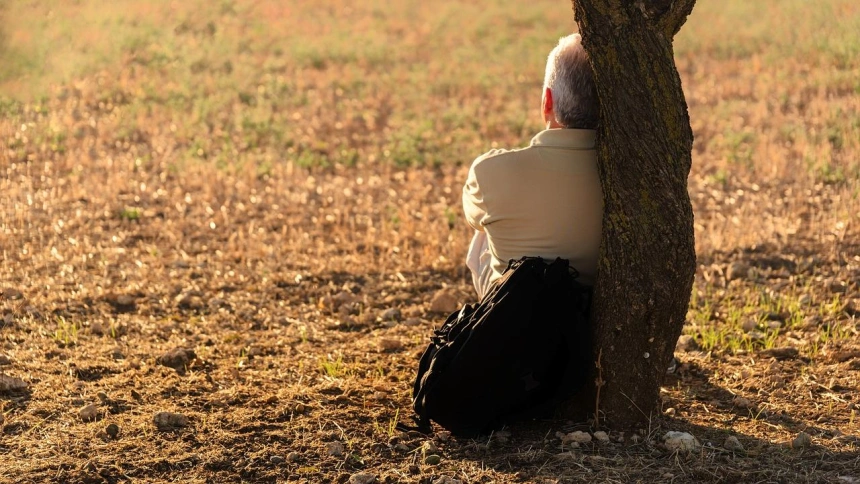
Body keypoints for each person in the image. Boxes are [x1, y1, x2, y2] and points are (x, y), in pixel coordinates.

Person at [463, 33, 602, 299]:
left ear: (547, 101)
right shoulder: (630, 177)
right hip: (591, 316)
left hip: (514, 319)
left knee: (484, 230)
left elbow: (472, 216)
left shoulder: (489, 172)